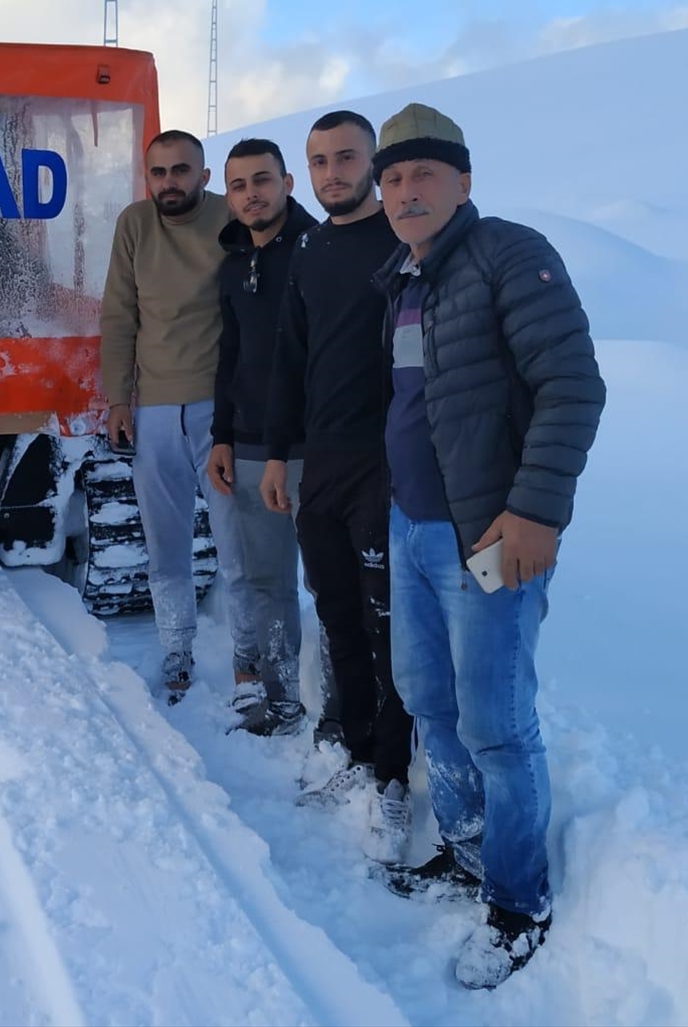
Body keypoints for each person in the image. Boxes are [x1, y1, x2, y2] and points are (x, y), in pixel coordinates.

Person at [369, 103, 606, 988]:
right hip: (411, 527)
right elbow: (408, 408)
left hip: (490, 534)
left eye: (423, 174)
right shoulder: (404, 277)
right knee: (426, 696)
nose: (405, 190)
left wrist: (537, 512)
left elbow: (572, 387)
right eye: (392, 178)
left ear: (464, 181)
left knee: (497, 726)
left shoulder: (508, 253)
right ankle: (467, 850)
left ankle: (516, 900)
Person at [260, 110, 414, 862]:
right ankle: (355, 750)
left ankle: (393, 775)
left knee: (388, 629)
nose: (330, 174)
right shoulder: (311, 249)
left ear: (373, 163)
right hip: (321, 466)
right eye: (318, 161)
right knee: (339, 618)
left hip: (387, 467)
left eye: (345, 158)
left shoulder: (405, 245)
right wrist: (280, 456)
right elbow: (291, 359)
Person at [99, 130, 258, 703]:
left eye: (182, 170)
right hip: (155, 412)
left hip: (221, 412)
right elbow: (119, 315)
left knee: (235, 544)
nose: (170, 182)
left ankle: (248, 660)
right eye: (159, 172)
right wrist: (119, 398)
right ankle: (177, 650)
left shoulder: (230, 219)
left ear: (205, 175)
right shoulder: (135, 224)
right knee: (165, 546)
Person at [206, 138, 319, 736]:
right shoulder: (231, 265)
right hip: (248, 446)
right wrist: (222, 435)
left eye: (263, 180)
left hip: (313, 449)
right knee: (266, 582)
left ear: (287, 183)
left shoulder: (318, 252)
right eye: (239, 185)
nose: (252, 194)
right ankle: (281, 701)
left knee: (331, 588)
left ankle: (344, 715)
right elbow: (230, 356)